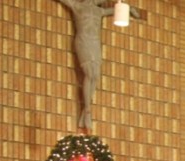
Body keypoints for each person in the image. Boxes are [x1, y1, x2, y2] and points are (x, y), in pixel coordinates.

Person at [55, 0, 141, 130]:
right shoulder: (77, 6)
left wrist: (129, 9)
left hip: (95, 43)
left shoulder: (99, 11)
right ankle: (88, 110)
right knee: (89, 73)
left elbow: (113, 10)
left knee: (96, 75)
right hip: (84, 40)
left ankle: (86, 110)